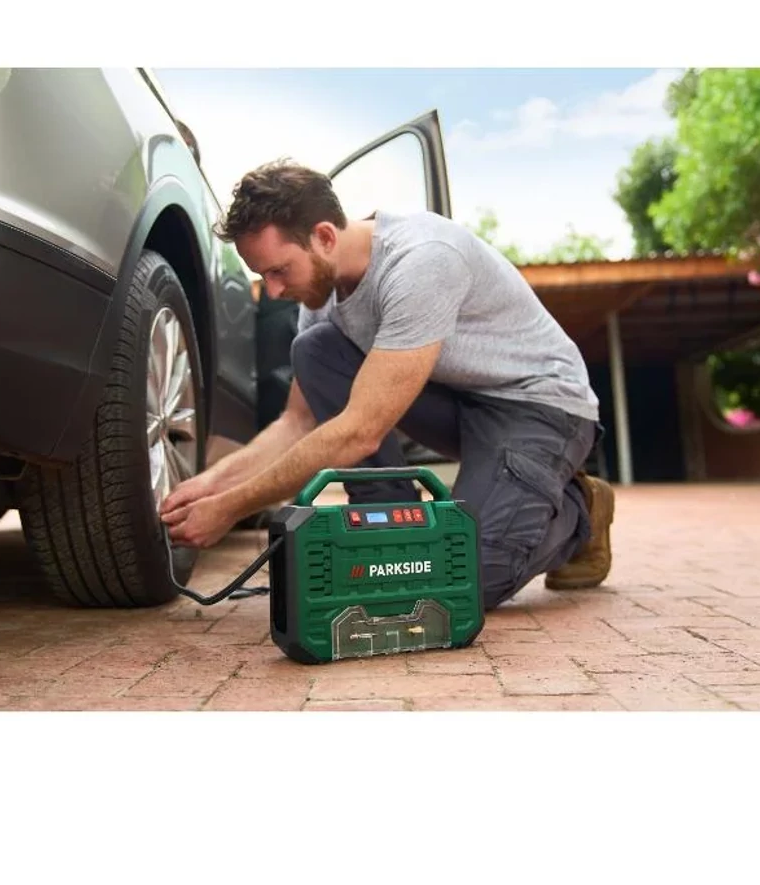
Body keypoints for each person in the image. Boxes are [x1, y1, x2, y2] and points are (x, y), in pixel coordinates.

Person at [160, 161, 615, 607]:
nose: (273, 291)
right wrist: (212, 485)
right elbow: (296, 424)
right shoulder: (321, 297)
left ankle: (581, 509)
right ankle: (392, 529)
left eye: (279, 271)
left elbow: (360, 431)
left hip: (541, 407)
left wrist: (232, 508)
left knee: (461, 575)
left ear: (324, 237)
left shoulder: (422, 260)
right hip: (460, 403)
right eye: (263, 276)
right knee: (315, 349)